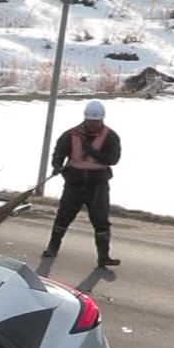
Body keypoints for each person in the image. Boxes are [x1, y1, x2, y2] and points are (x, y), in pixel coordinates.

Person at [45, 100, 123, 267]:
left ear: (102, 120)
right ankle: (52, 248)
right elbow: (58, 154)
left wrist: (92, 151)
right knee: (63, 216)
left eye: (97, 122)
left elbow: (113, 159)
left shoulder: (111, 137)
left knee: (101, 221)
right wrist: (57, 166)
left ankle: (104, 257)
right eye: (91, 121)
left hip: (98, 186)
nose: (94, 125)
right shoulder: (70, 135)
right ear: (85, 119)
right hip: (74, 184)